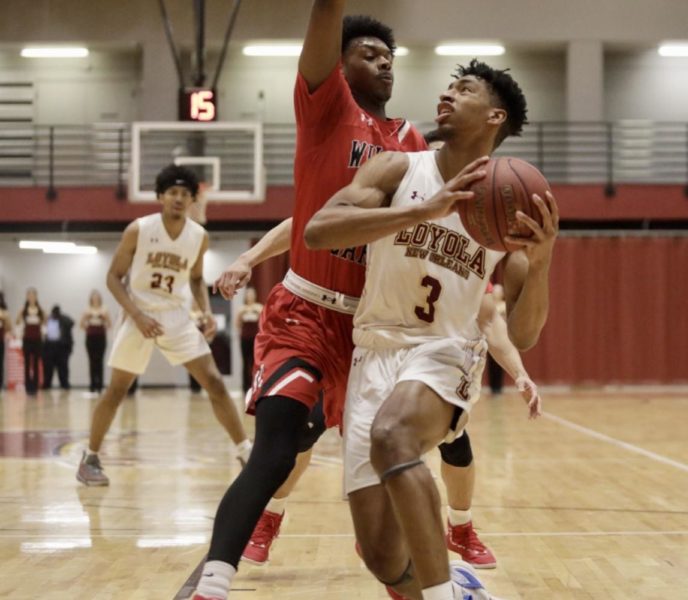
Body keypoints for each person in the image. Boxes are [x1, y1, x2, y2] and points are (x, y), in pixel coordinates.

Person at [191, 5, 430, 599]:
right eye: (368, 54)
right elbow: (306, 220)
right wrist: (249, 260)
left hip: (372, 332)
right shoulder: (327, 110)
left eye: (388, 58)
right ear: (338, 67)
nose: (382, 64)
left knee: (387, 481)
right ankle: (212, 586)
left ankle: (416, 578)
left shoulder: (411, 145)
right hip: (304, 312)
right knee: (273, 454)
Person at [303, 59, 555, 600]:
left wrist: (544, 259)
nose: (447, 94)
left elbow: (528, 333)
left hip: (445, 350)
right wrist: (422, 212)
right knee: (383, 557)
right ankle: (456, 587)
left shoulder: (509, 212)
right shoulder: (397, 170)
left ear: (495, 115)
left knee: (394, 437)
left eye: (463, 89)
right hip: (374, 350)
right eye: (448, 86)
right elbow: (318, 231)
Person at [76, 164, 252, 487]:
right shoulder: (139, 229)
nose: (178, 198)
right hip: (138, 312)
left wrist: (206, 312)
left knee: (213, 380)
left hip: (175, 315)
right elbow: (113, 278)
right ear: (160, 196)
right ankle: (90, 458)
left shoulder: (198, 236)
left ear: (191, 200)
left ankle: (245, 452)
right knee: (117, 391)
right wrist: (137, 316)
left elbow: (197, 279)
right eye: (172, 192)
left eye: (185, 194)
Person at [80, 290, 112, 396]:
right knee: (92, 361)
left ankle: (100, 386)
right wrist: (89, 328)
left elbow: (109, 324)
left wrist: (102, 324)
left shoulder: (104, 309)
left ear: (99, 299)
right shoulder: (87, 310)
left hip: (101, 337)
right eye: (93, 297)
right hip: (90, 338)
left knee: (100, 361)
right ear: (91, 299)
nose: (95, 299)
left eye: (97, 297)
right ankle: (92, 386)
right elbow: (81, 324)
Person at [16, 287, 45, 396]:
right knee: (27, 364)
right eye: (30, 295)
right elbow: (17, 322)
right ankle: (28, 387)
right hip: (27, 340)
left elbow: (44, 323)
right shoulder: (23, 310)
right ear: (27, 297)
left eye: (34, 295)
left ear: (36, 297)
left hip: (37, 340)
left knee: (36, 364)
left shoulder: (40, 310)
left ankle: (35, 387)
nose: (32, 297)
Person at [236, 287, 263, 394]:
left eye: (252, 294)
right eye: (248, 294)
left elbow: (263, 320)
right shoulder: (241, 309)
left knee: (254, 362)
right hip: (244, 338)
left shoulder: (259, 307)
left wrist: (254, 311)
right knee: (245, 362)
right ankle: (244, 387)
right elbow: (237, 324)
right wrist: (244, 312)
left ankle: (255, 385)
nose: (250, 296)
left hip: (255, 339)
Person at [42, 305, 74, 390]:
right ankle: (46, 384)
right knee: (48, 368)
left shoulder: (64, 320)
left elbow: (72, 323)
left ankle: (65, 384)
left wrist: (61, 317)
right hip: (50, 347)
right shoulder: (48, 320)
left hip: (61, 347)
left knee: (63, 368)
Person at [0, 292, 12, 391]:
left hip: (0, 341)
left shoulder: (4, 312)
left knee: (0, 362)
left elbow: (9, 328)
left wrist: (4, 318)